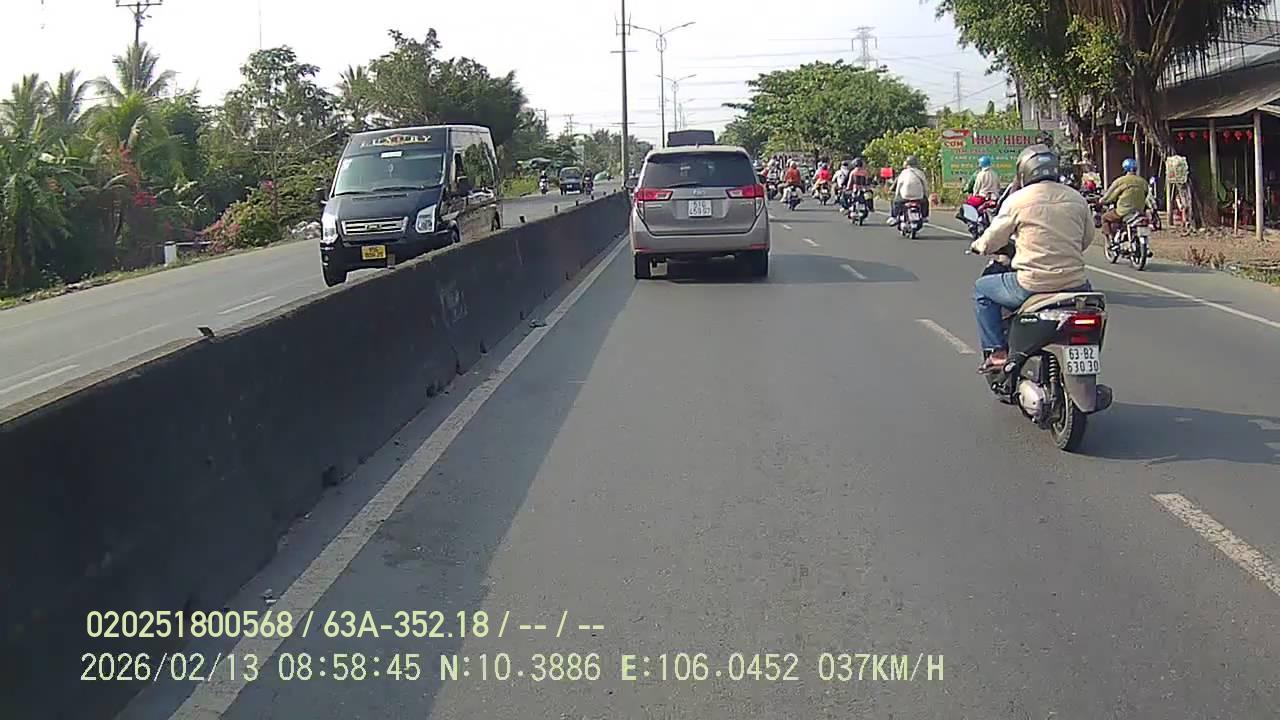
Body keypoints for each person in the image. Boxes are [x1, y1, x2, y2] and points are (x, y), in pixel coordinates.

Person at [969, 144, 1095, 371]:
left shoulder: (1017, 200)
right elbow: (1086, 239)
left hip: (1032, 284)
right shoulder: (1076, 198)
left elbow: (991, 241)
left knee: (982, 290)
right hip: (1077, 283)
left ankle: (997, 352)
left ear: (1024, 172)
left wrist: (979, 246)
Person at [1099, 158, 1148, 238]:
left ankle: (1111, 240)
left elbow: (1110, 195)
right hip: (1139, 211)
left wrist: (1102, 200)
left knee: (1104, 217)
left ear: (1125, 169)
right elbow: (1146, 195)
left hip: (1123, 212)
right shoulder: (1143, 182)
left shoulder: (1120, 181)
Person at [888, 155, 930, 224]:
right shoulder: (920, 173)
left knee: (895, 201)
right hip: (918, 197)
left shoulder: (903, 173)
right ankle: (924, 216)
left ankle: (894, 217)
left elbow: (899, 185)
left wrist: (897, 195)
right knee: (925, 202)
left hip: (905, 196)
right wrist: (925, 195)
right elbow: (925, 186)